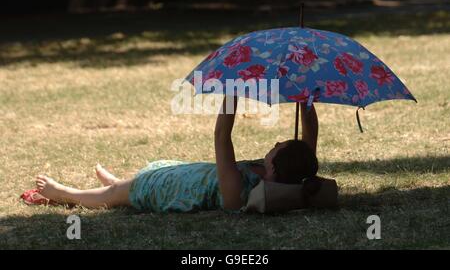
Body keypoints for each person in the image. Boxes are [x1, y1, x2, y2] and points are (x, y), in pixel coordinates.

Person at [31, 96, 319, 212]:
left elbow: (222, 137)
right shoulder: (292, 175)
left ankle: (66, 193)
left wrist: (232, 92)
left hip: (171, 189)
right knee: (128, 184)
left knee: (119, 194)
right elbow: (308, 141)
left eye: (279, 146)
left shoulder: (239, 193)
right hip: (187, 172)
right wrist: (306, 97)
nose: (278, 140)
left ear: (275, 165)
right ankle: (118, 184)